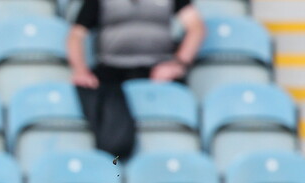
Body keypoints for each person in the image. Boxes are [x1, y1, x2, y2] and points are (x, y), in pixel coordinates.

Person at [66, 0, 205, 161]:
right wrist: (80, 70)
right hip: (112, 71)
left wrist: (178, 64)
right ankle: (114, 154)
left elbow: (196, 27)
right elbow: (76, 35)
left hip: (156, 69)